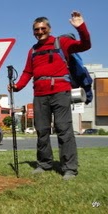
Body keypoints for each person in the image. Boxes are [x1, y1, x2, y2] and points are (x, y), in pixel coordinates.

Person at [8, 11, 91, 180]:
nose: (40, 32)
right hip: (39, 95)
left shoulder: (62, 42)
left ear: (49, 29)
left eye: (42, 28)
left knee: (64, 129)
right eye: (36, 30)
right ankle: (44, 164)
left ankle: (69, 168)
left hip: (60, 92)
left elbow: (85, 44)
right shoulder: (33, 50)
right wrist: (16, 87)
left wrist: (80, 27)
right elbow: (27, 72)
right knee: (42, 130)